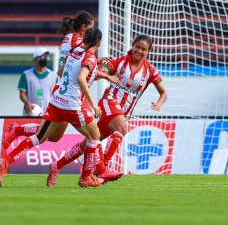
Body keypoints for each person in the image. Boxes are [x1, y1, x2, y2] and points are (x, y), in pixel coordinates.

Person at [0, 28, 123, 188]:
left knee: (40, 138)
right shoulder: (90, 58)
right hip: (72, 105)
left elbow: (62, 71)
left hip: (56, 102)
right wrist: (93, 103)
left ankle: (5, 163)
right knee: (94, 135)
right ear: (99, 43)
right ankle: (88, 176)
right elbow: (81, 78)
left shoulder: (76, 51)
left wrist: (102, 73)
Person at [46, 34, 168, 187]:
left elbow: (164, 92)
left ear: (149, 51)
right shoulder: (120, 61)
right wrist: (102, 70)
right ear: (132, 45)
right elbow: (97, 73)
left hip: (122, 113)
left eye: (144, 49)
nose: (139, 51)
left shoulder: (150, 70)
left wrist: (159, 103)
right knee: (122, 128)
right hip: (109, 102)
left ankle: (57, 166)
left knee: (89, 142)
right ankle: (103, 167)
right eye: (137, 47)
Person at [18, 47, 57, 115]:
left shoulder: (54, 76)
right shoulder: (26, 75)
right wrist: (27, 102)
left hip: (48, 115)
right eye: (42, 56)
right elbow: (22, 94)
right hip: (31, 112)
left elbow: (57, 95)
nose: (44, 58)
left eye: (46, 56)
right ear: (35, 58)